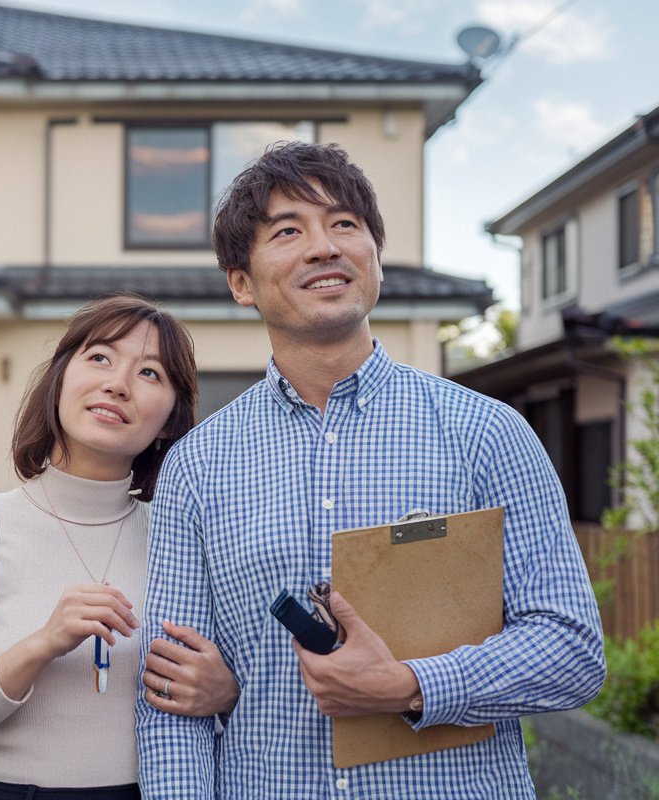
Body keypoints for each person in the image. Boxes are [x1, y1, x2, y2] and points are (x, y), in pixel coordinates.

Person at [136, 141, 606, 798]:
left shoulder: (487, 433)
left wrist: (411, 686)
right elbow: (169, 697)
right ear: (240, 282)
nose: (325, 246)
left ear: (375, 260)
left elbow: (572, 650)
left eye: (345, 225)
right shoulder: (197, 467)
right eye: (288, 231)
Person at [0, 293, 239, 800]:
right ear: (60, 378)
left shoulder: (186, 534)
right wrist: (45, 642)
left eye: (150, 373)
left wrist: (227, 695)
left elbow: (257, 690)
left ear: (172, 419)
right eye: (100, 357)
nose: (117, 384)